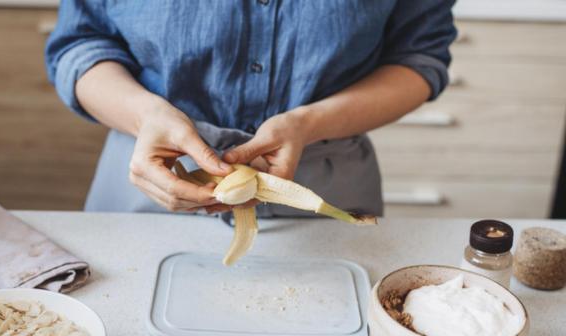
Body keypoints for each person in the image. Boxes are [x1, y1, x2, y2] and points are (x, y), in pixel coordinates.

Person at [45, 1, 456, 217]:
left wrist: (310, 122)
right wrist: (143, 114)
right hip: (152, 176)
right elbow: (80, 45)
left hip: (325, 187)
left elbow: (418, 58)